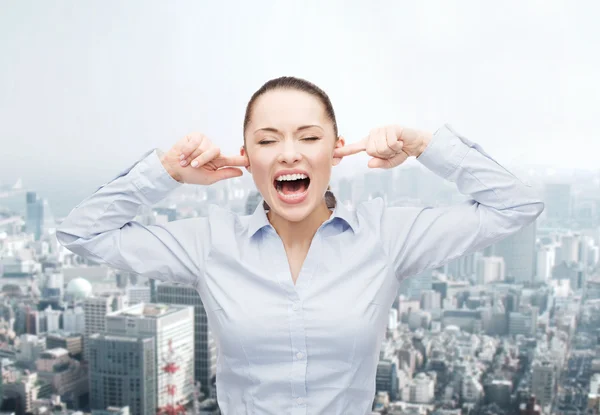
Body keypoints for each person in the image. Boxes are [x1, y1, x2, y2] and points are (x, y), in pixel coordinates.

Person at [57, 76, 544, 414]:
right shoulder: (210, 241)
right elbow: (81, 232)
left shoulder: (387, 235)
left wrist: (423, 144)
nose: (289, 152)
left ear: (336, 149)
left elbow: (516, 206)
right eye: (268, 141)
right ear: (246, 158)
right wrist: (166, 172)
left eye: (308, 137)